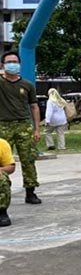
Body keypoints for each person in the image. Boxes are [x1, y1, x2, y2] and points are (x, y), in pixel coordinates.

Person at [0, 51, 42, 205]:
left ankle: (30, 191)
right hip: (3, 125)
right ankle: (2, 189)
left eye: (15, 61)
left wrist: (37, 129)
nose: (13, 64)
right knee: (2, 161)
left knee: (29, 159)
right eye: (9, 61)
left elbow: (34, 107)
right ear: (2, 65)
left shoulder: (27, 85)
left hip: (24, 124)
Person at [0, 138, 17, 226]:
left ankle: (1, 212)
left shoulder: (1, 144)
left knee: (2, 178)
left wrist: (1, 170)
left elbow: (10, 167)